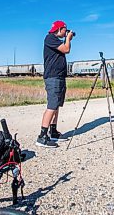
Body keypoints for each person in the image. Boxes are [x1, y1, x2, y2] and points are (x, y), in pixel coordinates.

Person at [36, 20, 74, 148]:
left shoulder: (55, 40)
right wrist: (68, 39)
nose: (66, 32)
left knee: (56, 105)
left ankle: (53, 132)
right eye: (65, 30)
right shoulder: (50, 38)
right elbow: (66, 49)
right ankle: (42, 137)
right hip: (53, 77)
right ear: (59, 29)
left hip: (59, 76)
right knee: (52, 105)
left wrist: (67, 38)